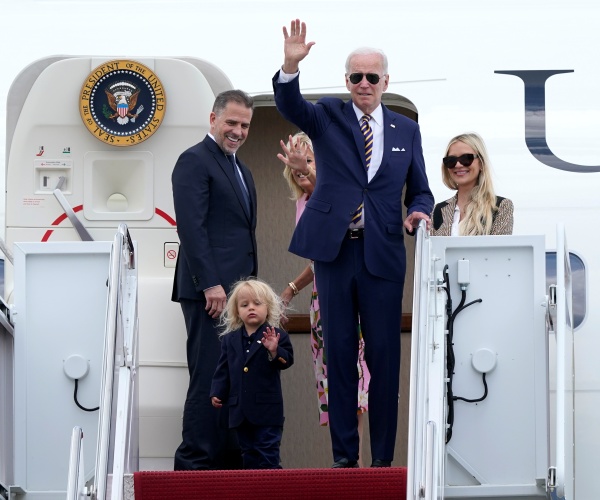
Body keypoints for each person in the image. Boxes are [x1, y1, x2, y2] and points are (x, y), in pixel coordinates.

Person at [272, 20, 434, 468]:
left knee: (384, 361)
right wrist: (290, 65)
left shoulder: (406, 130)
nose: (365, 84)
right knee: (339, 358)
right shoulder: (329, 115)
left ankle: (381, 464)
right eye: (356, 77)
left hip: (382, 253)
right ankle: (345, 462)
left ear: (386, 81)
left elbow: (420, 189)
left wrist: (419, 210)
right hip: (336, 253)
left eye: (373, 76)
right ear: (347, 81)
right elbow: (290, 104)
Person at [171, 89, 258, 470]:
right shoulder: (194, 161)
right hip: (212, 293)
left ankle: (227, 461)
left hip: (238, 295)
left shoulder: (243, 169)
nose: (238, 131)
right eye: (231, 123)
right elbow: (191, 228)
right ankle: (194, 464)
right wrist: (209, 283)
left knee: (232, 379)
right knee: (208, 376)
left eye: (245, 125)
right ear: (213, 119)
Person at [277, 132, 371, 466]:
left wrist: (315, 176)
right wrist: (290, 289)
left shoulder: (342, 192)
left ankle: (354, 465)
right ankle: (347, 461)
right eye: (297, 170)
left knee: (354, 379)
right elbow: (318, 256)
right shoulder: (303, 202)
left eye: (310, 164)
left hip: (352, 294)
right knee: (331, 379)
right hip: (322, 298)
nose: (303, 174)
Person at [210, 278, 294, 469]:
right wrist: (217, 392)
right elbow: (223, 369)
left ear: (268, 308)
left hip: (267, 411)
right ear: (237, 311)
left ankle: (271, 490)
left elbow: (287, 360)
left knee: (268, 453)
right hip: (240, 411)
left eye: (257, 303)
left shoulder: (277, 335)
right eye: (245, 305)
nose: (251, 308)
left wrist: (274, 350)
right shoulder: (230, 340)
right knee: (248, 454)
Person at [430, 132, 513, 236]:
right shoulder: (438, 210)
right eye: (451, 160)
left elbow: (499, 250)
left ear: (481, 163)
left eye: (466, 158)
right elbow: (433, 250)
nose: (458, 164)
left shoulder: (500, 207)